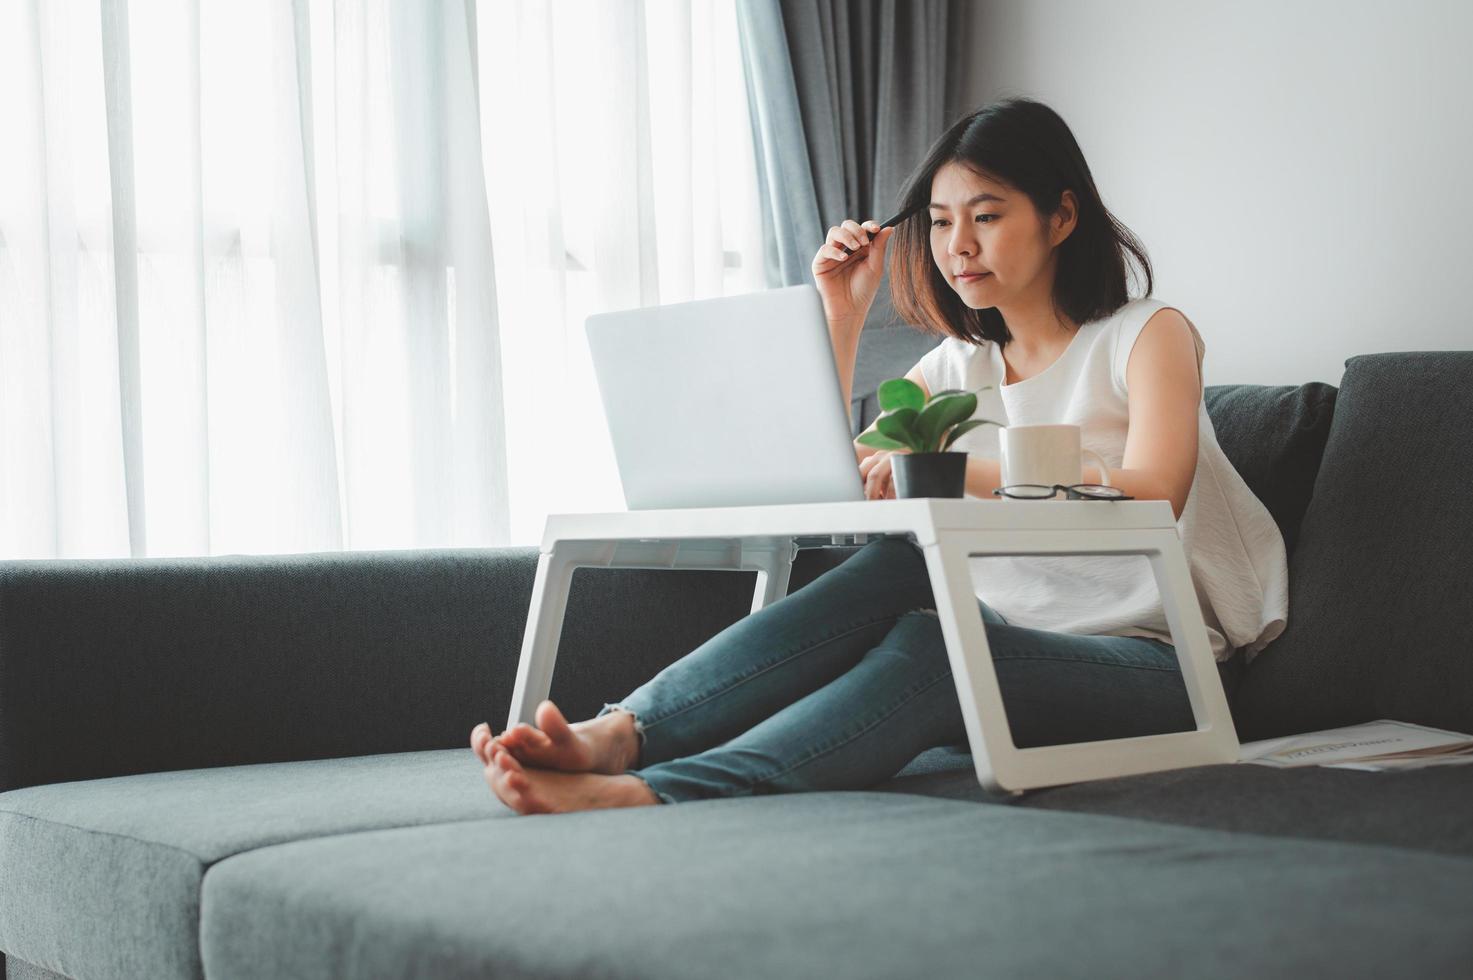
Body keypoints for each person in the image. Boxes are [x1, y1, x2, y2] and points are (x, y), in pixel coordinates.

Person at [469, 96, 1288, 815]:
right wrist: (842, 313)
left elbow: (1156, 492)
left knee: (936, 643)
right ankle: (625, 733)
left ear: (1060, 217)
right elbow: (822, 472)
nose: (956, 243)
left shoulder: (1145, 336)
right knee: (897, 572)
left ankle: (663, 788)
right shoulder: (954, 368)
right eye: (938, 221)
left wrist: (963, 470)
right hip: (1014, 639)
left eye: (987, 214)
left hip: (1157, 665)